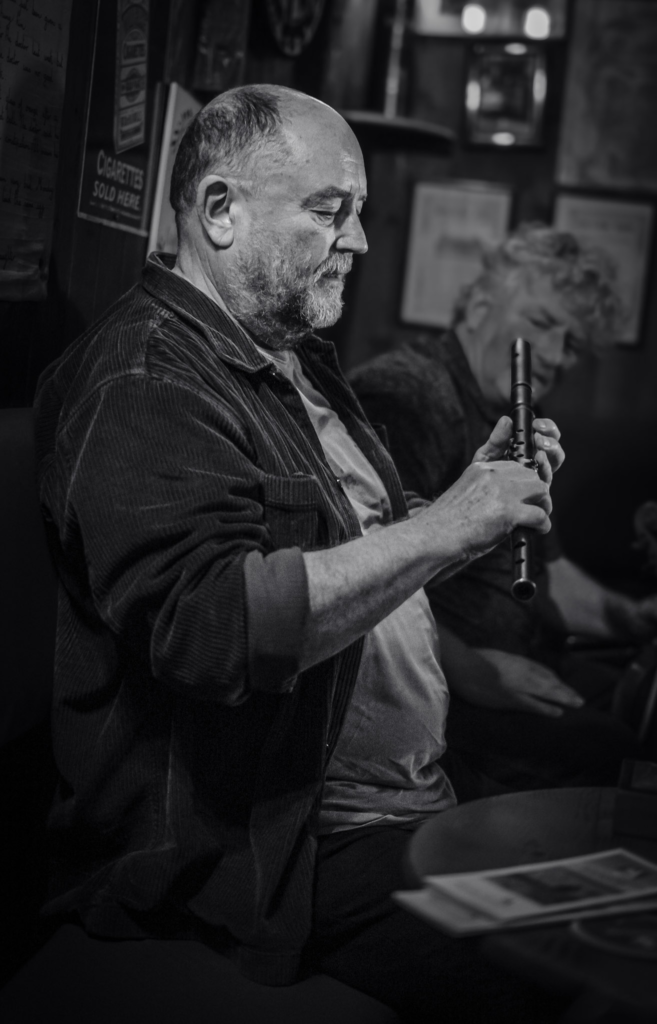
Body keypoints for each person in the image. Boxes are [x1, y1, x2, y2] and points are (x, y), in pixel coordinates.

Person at [34, 86, 567, 1023]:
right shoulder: (143, 377)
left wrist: (463, 500)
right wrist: (449, 527)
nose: (357, 240)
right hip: (269, 856)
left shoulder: (294, 356)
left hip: (398, 801)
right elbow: (218, 631)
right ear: (220, 211)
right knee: (565, 966)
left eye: (356, 213)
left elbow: (364, 555)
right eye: (330, 212)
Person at [349, 225, 655, 794]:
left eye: (574, 344)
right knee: (616, 754)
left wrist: (631, 615)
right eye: (542, 323)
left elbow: (550, 575)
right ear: (481, 303)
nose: (559, 356)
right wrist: (474, 674)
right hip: (438, 682)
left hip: (522, 652)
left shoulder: (514, 412)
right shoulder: (411, 393)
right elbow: (368, 578)